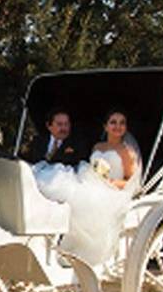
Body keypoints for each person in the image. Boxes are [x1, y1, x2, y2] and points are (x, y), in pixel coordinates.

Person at [32, 107, 142, 265]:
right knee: (75, 193)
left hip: (114, 190)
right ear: (105, 126)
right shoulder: (97, 147)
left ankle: (83, 253)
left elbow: (130, 181)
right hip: (94, 182)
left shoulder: (127, 152)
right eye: (113, 122)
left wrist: (109, 183)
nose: (117, 126)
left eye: (122, 123)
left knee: (84, 201)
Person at [22, 107, 89, 166]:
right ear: (49, 126)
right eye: (59, 124)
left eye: (66, 124)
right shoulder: (37, 141)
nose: (64, 128)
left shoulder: (77, 144)